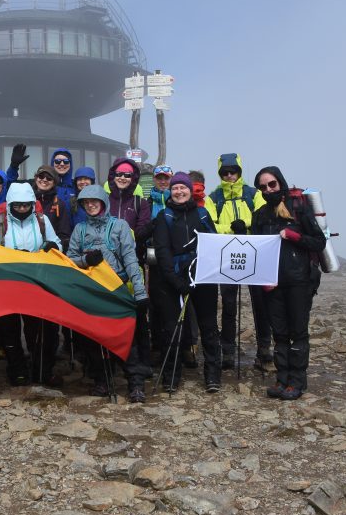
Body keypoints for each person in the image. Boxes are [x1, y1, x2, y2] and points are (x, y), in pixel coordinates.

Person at [67, 184, 150, 401]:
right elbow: (68, 260)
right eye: (86, 202)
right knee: (95, 339)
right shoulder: (80, 229)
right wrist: (85, 260)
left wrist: (140, 292)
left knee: (126, 337)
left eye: (94, 201)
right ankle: (103, 381)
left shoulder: (120, 226)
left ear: (104, 202)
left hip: (117, 287)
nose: (90, 205)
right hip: (92, 290)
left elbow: (131, 259)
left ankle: (135, 384)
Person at [251, 166, 325, 401]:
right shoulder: (260, 214)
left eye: (271, 184)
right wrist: (263, 279)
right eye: (263, 187)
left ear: (280, 183)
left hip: (299, 282)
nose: (268, 189)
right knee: (279, 334)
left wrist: (295, 236)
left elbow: (319, 242)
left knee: (298, 333)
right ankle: (282, 380)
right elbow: (256, 251)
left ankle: (297, 382)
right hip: (272, 284)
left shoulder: (299, 208)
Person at [0, 182, 62, 386]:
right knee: (8, 330)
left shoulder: (42, 221)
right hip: (7, 284)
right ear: (10, 204)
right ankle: (17, 369)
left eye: (26, 205)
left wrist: (52, 247)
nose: (21, 209)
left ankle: (41, 370)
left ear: (31, 204)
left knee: (38, 330)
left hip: (36, 283)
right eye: (17, 205)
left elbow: (57, 246)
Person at [152, 172, 222, 392]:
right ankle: (171, 375)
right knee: (172, 328)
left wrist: (202, 273)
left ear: (190, 191)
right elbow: (162, 251)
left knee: (208, 326)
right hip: (173, 279)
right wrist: (175, 281)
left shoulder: (202, 214)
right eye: (175, 188)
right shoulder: (165, 216)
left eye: (183, 188)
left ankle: (213, 375)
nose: (179, 192)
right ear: (170, 192)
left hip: (202, 277)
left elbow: (214, 244)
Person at [208, 153, 271, 369]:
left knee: (260, 305)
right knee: (228, 305)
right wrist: (232, 230)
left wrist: (245, 227)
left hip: (254, 255)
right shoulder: (214, 197)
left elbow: (264, 219)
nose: (229, 175)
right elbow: (210, 226)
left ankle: (264, 350)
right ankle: (227, 351)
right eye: (224, 172)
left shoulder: (253, 194)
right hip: (227, 258)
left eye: (232, 171)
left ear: (239, 171)